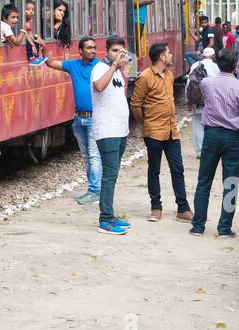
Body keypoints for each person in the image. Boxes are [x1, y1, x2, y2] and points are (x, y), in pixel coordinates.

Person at [189, 49, 239, 237]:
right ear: (235, 66)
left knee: (204, 181)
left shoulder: (207, 83)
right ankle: (224, 228)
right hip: (232, 138)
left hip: (210, 136)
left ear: (218, 64)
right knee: (231, 183)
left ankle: (198, 226)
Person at [131, 42, 192, 222]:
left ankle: (183, 208)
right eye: (169, 52)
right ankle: (155, 207)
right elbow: (135, 104)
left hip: (172, 130)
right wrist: (146, 123)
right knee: (154, 169)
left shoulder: (169, 75)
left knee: (178, 169)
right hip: (154, 132)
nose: (172, 55)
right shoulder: (145, 77)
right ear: (161, 57)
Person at [44, 38, 103, 204]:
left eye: (94, 48)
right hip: (79, 119)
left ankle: (95, 191)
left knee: (93, 155)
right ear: (81, 51)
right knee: (86, 156)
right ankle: (94, 189)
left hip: (94, 117)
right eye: (89, 48)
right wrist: (43, 46)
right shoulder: (74, 65)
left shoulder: (100, 67)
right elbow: (50, 63)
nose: (93, 51)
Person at [91, 36, 133, 235]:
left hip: (120, 130)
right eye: (114, 51)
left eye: (121, 51)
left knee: (113, 175)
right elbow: (98, 86)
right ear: (106, 51)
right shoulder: (100, 68)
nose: (118, 54)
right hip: (107, 131)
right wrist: (114, 66)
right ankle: (105, 220)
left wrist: (119, 68)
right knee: (109, 175)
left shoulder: (116, 72)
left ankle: (110, 214)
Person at [186, 47, 220, 157]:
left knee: (197, 125)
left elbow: (188, 84)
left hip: (197, 101)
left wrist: (188, 100)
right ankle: (211, 150)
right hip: (211, 102)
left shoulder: (195, 66)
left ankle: (200, 151)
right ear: (213, 56)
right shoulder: (216, 67)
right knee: (212, 126)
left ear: (203, 55)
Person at [23, 0, 47, 64]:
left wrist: (34, 38)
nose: (31, 11)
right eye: (28, 9)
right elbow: (25, 34)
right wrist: (32, 44)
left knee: (36, 39)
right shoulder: (23, 22)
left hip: (28, 36)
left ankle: (36, 57)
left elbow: (30, 32)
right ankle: (31, 58)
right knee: (29, 44)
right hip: (25, 38)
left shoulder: (30, 20)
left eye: (33, 10)